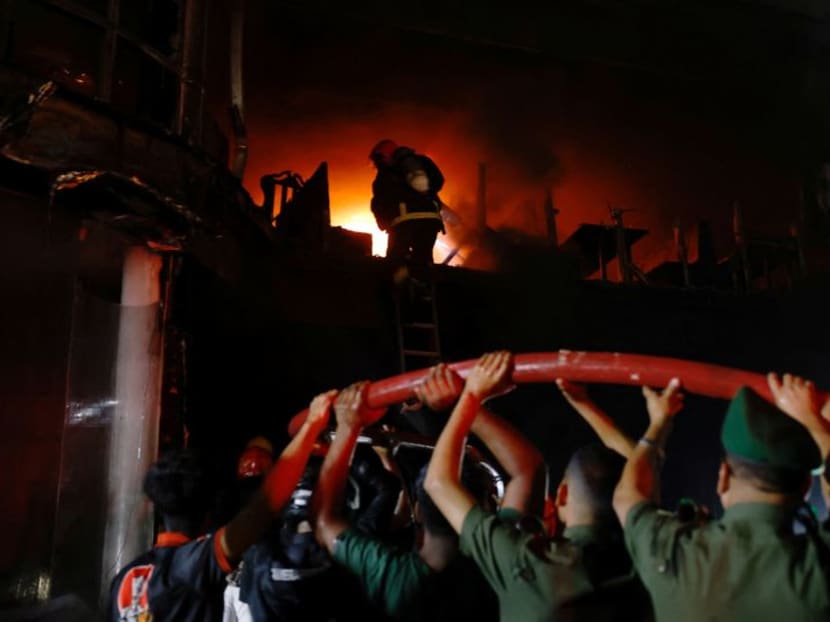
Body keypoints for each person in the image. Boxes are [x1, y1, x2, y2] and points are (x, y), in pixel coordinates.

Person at [424, 354, 650, 621]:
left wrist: (471, 396)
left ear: (562, 495)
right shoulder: (648, 554)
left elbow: (438, 482)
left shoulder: (526, 560)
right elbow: (637, 470)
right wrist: (585, 405)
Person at [613, 374, 830, 622]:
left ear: (723, 476)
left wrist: (658, 423)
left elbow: (627, 495)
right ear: (806, 486)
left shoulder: (672, 554)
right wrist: (817, 424)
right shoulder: (819, 569)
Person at [108, 391, 335, 622]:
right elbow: (265, 507)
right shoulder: (193, 565)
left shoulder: (123, 579)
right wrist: (312, 425)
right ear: (209, 508)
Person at [311, 378, 501, 622]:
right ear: (488, 506)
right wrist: (465, 403)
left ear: (419, 510)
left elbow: (323, 520)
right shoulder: (504, 565)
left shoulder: (394, 575)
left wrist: (348, 425)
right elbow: (528, 472)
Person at [368, 139, 445, 269]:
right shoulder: (423, 161)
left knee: (395, 262)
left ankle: (400, 285)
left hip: (404, 223)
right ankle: (425, 285)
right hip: (431, 221)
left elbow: (379, 203)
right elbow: (439, 180)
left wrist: (383, 223)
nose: (377, 164)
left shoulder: (385, 173)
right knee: (423, 258)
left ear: (384, 155)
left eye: (378, 159)